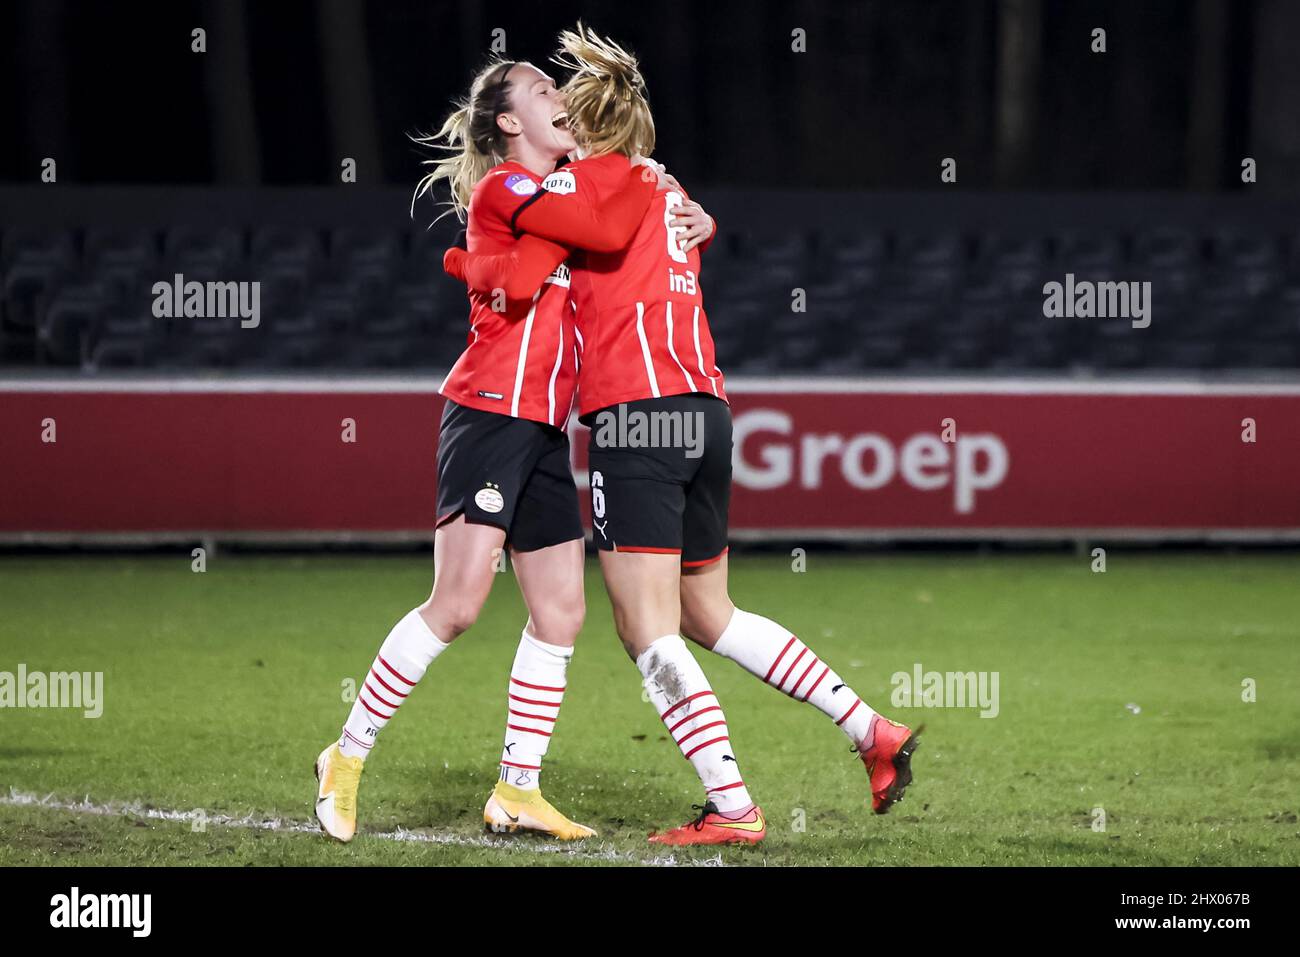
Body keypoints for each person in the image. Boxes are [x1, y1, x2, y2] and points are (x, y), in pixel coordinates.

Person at [444, 25, 920, 846]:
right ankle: (868, 729)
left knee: (646, 631)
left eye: (564, 99)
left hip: (638, 419)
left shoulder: (582, 191)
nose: (555, 107)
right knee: (711, 612)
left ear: (587, 120)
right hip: (708, 411)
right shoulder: (667, 190)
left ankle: (731, 805)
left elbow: (537, 257)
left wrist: (467, 262)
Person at [314, 56, 660, 843]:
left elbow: (564, 256)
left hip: (542, 427)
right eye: (544, 91)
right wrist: (639, 174)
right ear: (509, 124)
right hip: (489, 413)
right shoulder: (507, 187)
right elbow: (596, 235)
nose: (562, 98)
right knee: (460, 603)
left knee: (562, 611)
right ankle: (346, 755)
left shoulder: (556, 193)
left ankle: (517, 789)